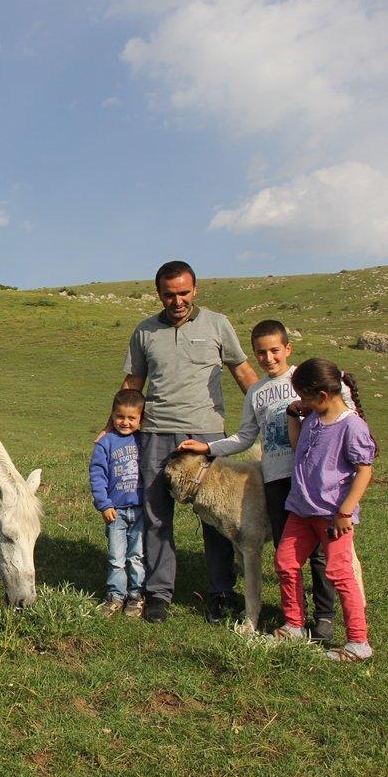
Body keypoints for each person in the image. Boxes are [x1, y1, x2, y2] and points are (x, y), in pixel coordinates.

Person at [177, 320, 348, 642]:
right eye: (260, 353)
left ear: (287, 349)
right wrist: (208, 448)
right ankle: (292, 616)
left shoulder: (306, 380)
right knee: (288, 550)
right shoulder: (256, 391)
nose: (268, 358)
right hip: (275, 479)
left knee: (321, 553)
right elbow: (245, 437)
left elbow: (340, 412)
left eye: (274, 351)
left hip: (315, 478)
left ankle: (324, 617)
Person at [117, 261, 258, 623]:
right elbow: (134, 383)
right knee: (155, 513)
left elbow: (242, 370)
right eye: (169, 294)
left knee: (215, 517)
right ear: (159, 293)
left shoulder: (217, 324)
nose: (177, 300)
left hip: (206, 434)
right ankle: (159, 593)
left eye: (184, 293)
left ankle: (222, 592)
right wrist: (111, 428)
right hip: (156, 432)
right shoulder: (145, 331)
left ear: (195, 290)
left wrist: (268, 409)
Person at [272, 358, 376, 661]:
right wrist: (294, 416)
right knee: (286, 563)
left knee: (340, 573)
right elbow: (297, 448)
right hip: (301, 509)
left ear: (321, 396)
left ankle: (358, 643)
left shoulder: (351, 426)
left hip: (332, 515)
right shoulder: (314, 420)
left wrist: (345, 511)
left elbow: (364, 471)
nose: (300, 402)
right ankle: (294, 625)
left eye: (303, 397)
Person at [89, 389, 146, 618]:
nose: (125, 422)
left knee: (137, 555)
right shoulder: (105, 444)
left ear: (141, 418)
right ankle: (115, 595)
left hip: (140, 509)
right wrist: (104, 504)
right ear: (112, 416)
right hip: (116, 511)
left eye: (131, 418)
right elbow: (97, 474)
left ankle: (136, 595)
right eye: (120, 416)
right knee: (116, 556)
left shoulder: (145, 441)